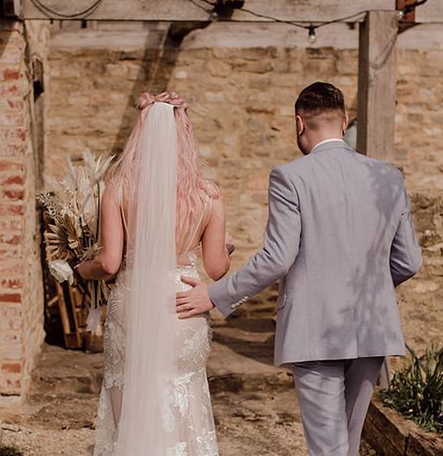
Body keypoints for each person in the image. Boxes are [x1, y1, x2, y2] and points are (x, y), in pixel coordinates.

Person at [176, 82, 422, 456]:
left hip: (315, 328)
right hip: (373, 327)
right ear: (343, 123)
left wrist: (214, 294)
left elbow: (277, 257)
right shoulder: (388, 177)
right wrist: (371, 288)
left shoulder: (290, 177)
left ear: (298, 123)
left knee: (329, 449)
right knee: (347, 446)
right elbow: (409, 261)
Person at [77, 91, 231, 456]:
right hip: (183, 305)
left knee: (130, 399)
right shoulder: (208, 195)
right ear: (186, 135)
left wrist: (83, 268)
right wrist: (226, 248)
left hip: (133, 307)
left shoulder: (120, 188)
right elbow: (216, 268)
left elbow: (109, 263)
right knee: (183, 396)